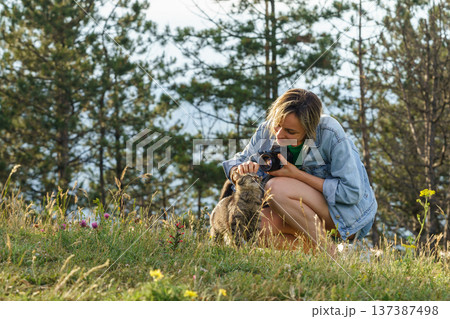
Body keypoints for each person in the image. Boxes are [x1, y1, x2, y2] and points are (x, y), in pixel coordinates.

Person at [222, 88, 377, 253]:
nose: (279, 135)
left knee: (275, 188)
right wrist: (240, 172)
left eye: (291, 131)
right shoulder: (267, 130)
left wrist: (296, 175)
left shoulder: (330, 133)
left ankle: (331, 255)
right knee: (250, 228)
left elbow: (351, 192)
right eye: (278, 125)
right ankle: (339, 253)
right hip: (297, 212)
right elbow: (236, 161)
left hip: (346, 215)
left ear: (309, 130)